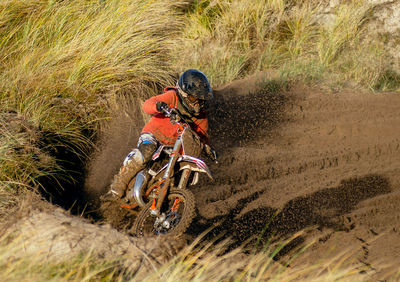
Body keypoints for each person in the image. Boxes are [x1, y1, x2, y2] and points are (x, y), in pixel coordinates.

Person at [102, 69, 216, 202]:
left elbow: (202, 136)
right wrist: (159, 106)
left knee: (179, 170)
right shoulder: (172, 96)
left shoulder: (202, 117)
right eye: (193, 98)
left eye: (201, 99)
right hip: (153, 136)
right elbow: (147, 105)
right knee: (146, 152)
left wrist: (208, 148)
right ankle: (116, 189)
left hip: (175, 147)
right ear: (184, 93)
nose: (197, 103)